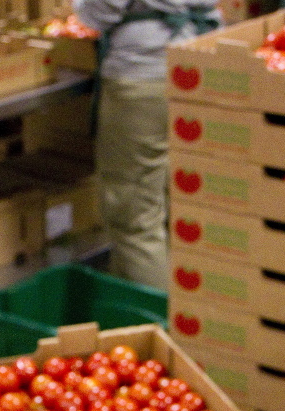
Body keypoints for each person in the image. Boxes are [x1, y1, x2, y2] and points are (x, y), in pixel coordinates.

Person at [72, 0, 220, 291]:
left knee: (135, 217)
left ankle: (156, 328)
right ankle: (199, 318)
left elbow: (99, 12)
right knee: (185, 205)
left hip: (146, 72)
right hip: (204, 61)